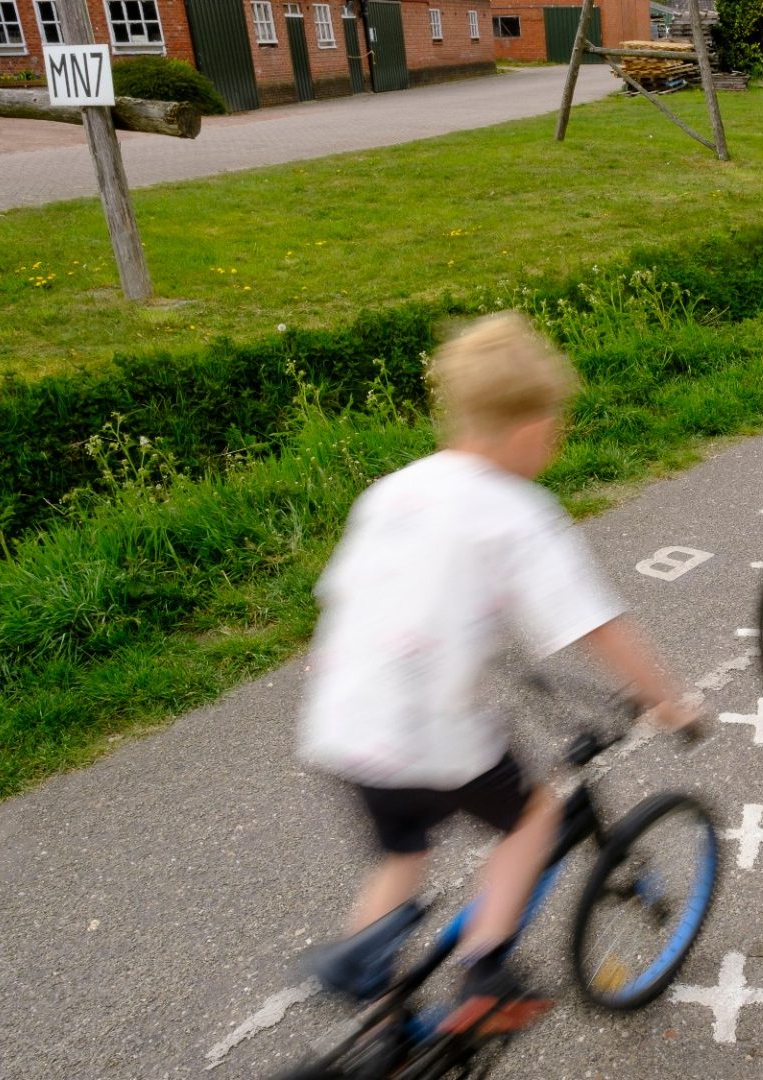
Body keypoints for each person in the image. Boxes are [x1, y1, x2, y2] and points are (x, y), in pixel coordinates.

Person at [296, 311, 697, 1032]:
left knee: (401, 855)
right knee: (533, 815)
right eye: (554, 425)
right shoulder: (517, 511)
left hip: (343, 720)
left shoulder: (393, 490)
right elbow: (597, 627)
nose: (556, 437)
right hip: (430, 734)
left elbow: (360, 596)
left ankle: (381, 1017)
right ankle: (487, 974)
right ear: (526, 431)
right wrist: (667, 701)